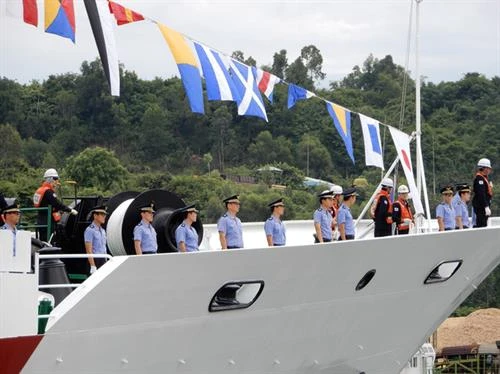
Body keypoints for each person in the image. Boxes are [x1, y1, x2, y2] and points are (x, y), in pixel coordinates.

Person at [33, 168, 77, 242]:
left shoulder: (40, 190)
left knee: (43, 240)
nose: (57, 181)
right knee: (49, 241)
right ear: (50, 179)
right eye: (55, 179)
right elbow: (57, 204)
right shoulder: (48, 191)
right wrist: (70, 210)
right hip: (48, 221)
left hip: (41, 220)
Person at [84, 205, 108, 274]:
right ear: (95, 215)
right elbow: (89, 250)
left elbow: (104, 247)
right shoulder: (90, 230)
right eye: (102, 215)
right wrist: (92, 265)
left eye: (105, 215)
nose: (104, 217)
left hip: (103, 259)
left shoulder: (103, 231)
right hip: (95, 259)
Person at [472, 158, 493, 228]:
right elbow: (481, 194)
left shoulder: (484, 178)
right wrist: (486, 206)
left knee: (484, 224)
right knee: (481, 224)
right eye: (488, 168)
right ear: (484, 169)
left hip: (483, 206)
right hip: (481, 207)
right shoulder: (479, 179)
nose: (489, 170)